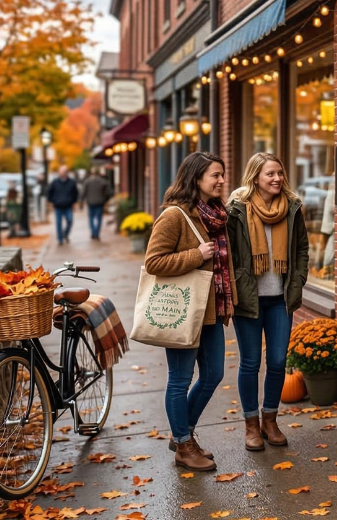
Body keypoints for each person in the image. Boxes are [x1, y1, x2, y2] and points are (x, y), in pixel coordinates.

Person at [143, 152, 233, 471]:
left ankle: (184, 434)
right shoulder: (174, 216)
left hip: (210, 311)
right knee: (180, 379)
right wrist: (195, 255)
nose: (222, 180)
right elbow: (154, 262)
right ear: (196, 179)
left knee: (213, 374)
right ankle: (183, 443)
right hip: (183, 310)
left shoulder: (218, 214)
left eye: (222, 175)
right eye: (215, 175)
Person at [227, 152, 308, 451]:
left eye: (279, 173)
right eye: (270, 174)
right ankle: (251, 425)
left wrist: (298, 280)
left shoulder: (292, 207)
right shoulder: (237, 210)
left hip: (280, 299)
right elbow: (231, 254)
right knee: (250, 363)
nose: (277, 179)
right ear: (255, 177)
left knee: (277, 362)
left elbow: (301, 248)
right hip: (249, 299)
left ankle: (270, 420)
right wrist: (236, 283)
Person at [45, 166, 79, 245]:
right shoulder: (55, 182)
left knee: (70, 221)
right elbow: (49, 192)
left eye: (63, 172)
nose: (61, 173)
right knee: (58, 223)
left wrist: (75, 202)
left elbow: (75, 193)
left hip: (68, 205)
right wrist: (51, 202)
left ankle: (65, 233)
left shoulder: (71, 182)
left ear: (66, 173)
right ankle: (60, 239)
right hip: (58, 206)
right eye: (60, 172)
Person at [81, 168, 113, 240]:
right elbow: (108, 193)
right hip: (100, 202)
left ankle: (93, 232)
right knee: (98, 218)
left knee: (91, 218)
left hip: (90, 202)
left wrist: (82, 201)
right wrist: (105, 200)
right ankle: (97, 233)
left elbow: (83, 192)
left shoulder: (87, 181)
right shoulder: (103, 181)